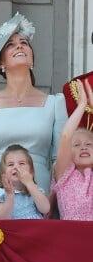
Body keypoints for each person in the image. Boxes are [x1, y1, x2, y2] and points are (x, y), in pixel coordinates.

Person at [0, 12, 68, 219]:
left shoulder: (55, 103)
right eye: (11, 44)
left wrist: (50, 199)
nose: (20, 46)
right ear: (0, 63)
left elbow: (60, 159)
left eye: (24, 42)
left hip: (41, 198)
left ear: (32, 58)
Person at [50, 79, 93, 220]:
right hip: (71, 237)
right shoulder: (64, 174)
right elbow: (66, 136)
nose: (84, 147)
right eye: (77, 145)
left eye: (89, 144)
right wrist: (82, 106)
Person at [0, 144, 50, 219]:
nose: (16, 167)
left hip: (35, 228)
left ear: (31, 172)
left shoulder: (34, 191)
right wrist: (10, 196)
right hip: (13, 230)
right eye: (11, 164)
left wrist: (29, 183)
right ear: (3, 173)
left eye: (21, 163)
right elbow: (1, 219)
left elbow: (45, 209)